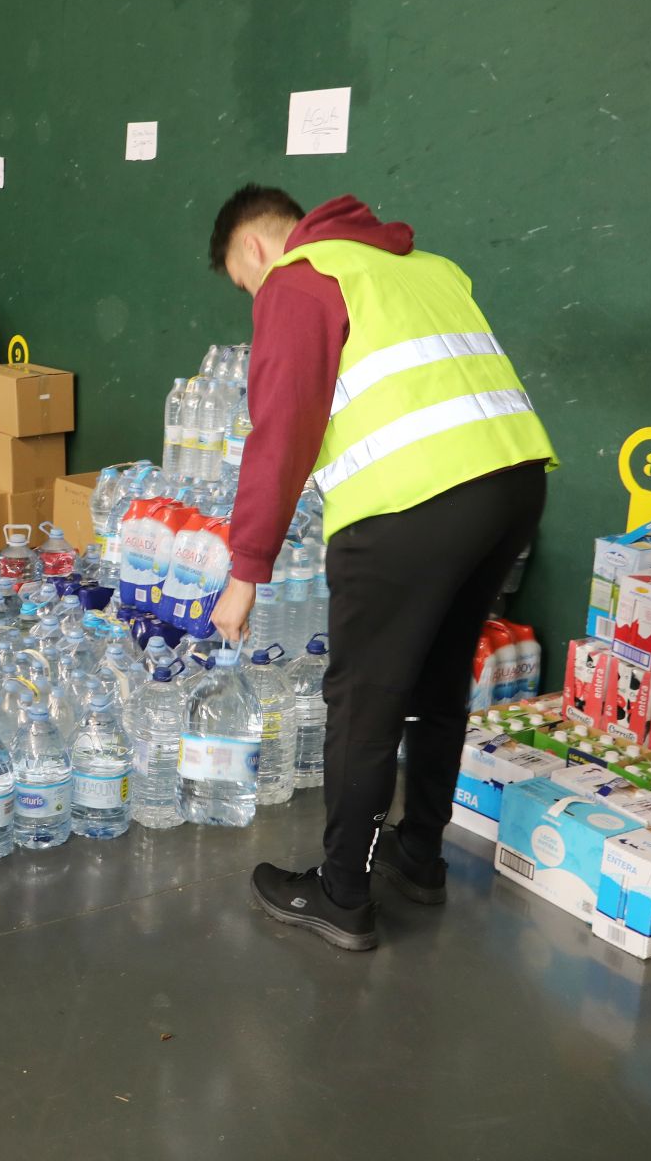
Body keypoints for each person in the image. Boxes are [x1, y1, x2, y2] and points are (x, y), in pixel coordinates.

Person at [206, 186, 556, 952]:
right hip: (512, 483)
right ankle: (419, 856)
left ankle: (341, 893)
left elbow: (281, 433)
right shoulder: (426, 267)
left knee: (365, 699)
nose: (253, 295)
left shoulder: (298, 279)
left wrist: (246, 571)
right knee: (436, 681)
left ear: (257, 249)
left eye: (244, 281)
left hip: (410, 506)